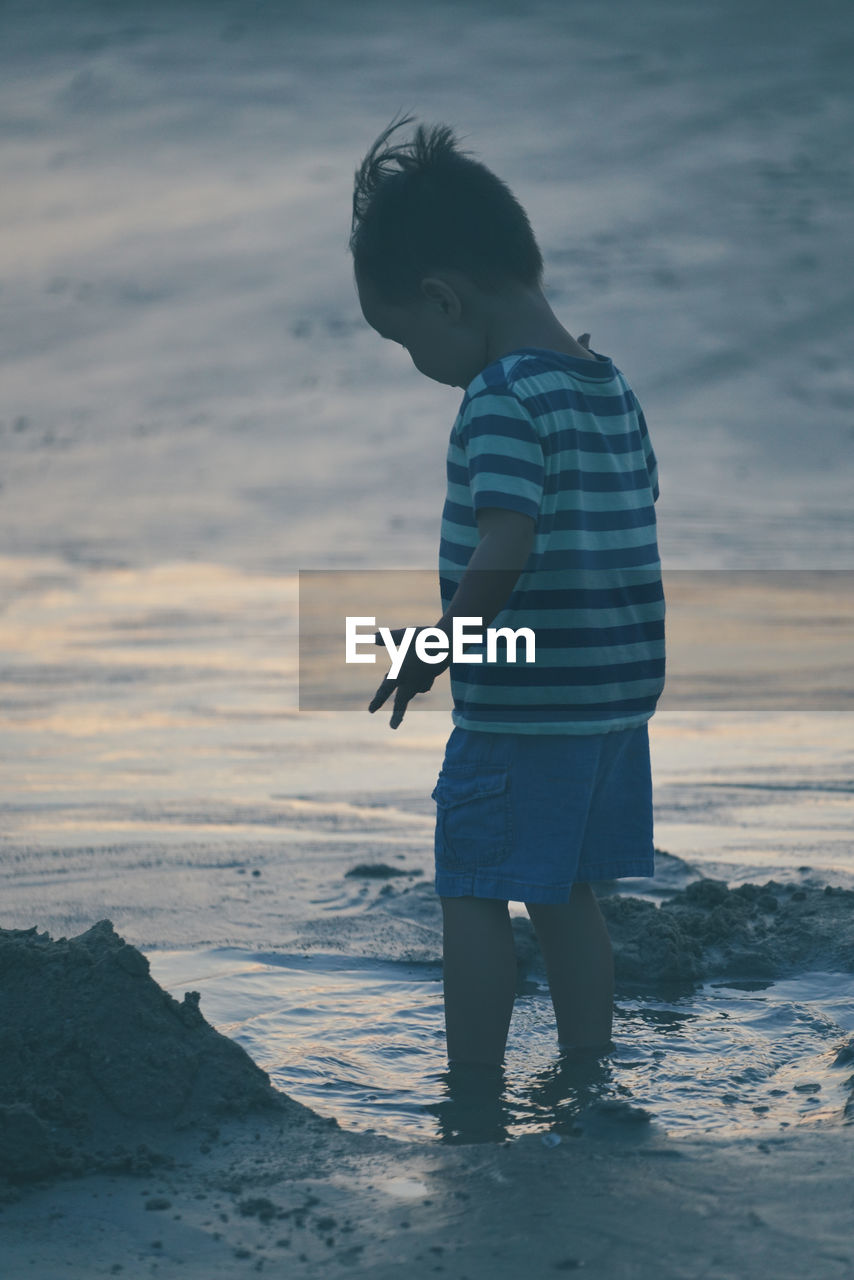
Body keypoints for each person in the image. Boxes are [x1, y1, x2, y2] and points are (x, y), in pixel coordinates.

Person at [350, 116, 665, 1070]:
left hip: (528, 703)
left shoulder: (500, 396)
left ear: (443, 301)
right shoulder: (609, 386)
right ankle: (584, 1070)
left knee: (472, 885)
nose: (419, 369)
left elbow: (509, 533)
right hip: (611, 702)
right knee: (566, 890)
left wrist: (440, 643)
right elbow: (624, 521)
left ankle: (475, 1093)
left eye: (405, 342)